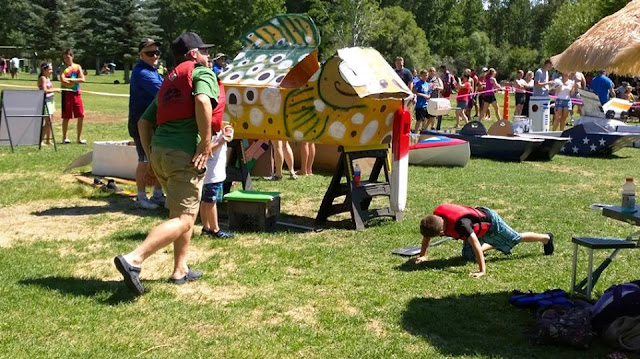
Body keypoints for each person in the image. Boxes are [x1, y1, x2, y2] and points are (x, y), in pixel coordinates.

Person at [113, 32, 217, 295]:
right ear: (193, 54)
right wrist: (206, 143)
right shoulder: (200, 72)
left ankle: (180, 269)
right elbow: (203, 101)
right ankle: (134, 259)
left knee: (181, 213)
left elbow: (144, 122)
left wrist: (149, 158)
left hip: (160, 152)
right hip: (183, 153)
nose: (208, 56)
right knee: (184, 218)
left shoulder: (169, 80)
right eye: (204, 51)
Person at [416, 203, 555, 278]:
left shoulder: (462, 225)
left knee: (515, 238)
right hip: (476, 229)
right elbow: (426, 236)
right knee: (468, 257)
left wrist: (482, 271)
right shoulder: (435, 220)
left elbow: (475, 244)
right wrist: (423, 255)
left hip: (491, 222)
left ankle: (546, 238)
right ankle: (495, 243)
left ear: (441, 232)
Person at [129, 38, 166, 210]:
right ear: (140, 54)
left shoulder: (152, 70)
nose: (155, 56)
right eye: (150, 53)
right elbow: (164, 91)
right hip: (142, 125)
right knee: (144, 160)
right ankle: (141, 196)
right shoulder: (142, 73)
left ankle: (158, 194)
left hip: (154, 124)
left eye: (157, 52)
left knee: (158, 160)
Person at [200, 77, 234, 239]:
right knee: (210, 201)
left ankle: (206, 226)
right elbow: (207, 150)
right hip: (210, 172)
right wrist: (222, 140)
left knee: (206, 200)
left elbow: (225, 128)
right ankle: (214, 229)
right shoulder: (207, 129)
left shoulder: (215, 122)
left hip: (214, 172)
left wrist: (226, 130)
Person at [60, 49, 86, 144]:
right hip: (66, 94)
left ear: (72, 57)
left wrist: (71, 79)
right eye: (64, 58)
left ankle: (79, 138)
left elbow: (83, 79)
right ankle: (64, 138)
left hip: (76, 93)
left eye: (67, 57)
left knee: (81, 115)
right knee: (66, 117)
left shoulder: (77, 67)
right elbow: (62, 80)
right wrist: (74, 80)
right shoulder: (63, 68)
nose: (66, 60)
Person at [38, 63, 55, 146]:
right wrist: (54, 90)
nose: (51, 71)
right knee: (48, 121)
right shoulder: (42, 78)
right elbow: (44, 90)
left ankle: (48, 140)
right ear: (44, 70)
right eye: (49, 69)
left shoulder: (48, 78)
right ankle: (40, 140)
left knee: (50, 121)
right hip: (45, 101)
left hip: (51, 101)